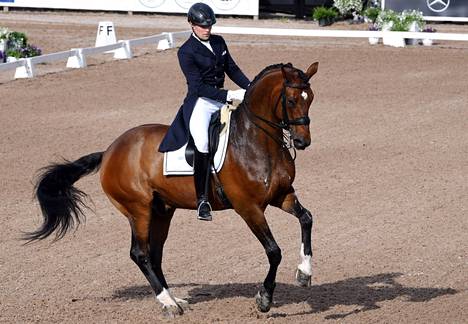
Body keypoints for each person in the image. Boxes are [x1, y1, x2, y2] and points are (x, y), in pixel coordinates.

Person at [158, 2, 250, 221]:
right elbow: (197, 86)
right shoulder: (186, 52)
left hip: (220, 97)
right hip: (201, 102)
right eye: (202, 26)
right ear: (191, 24)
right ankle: (202, 199)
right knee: (202, 142)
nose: (206, 29)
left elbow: (232, 69)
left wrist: (250, 88)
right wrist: (229, 95)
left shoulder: (219, 42)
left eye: (209, 25)